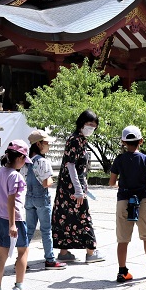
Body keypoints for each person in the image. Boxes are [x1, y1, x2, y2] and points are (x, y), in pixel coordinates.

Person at [109, 125, 146, 282]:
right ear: (140, 141)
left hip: (123, 201)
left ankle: (122, 272)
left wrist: (121, 185)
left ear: (123, 142)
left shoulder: (119, 160)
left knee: (122, 238)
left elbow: (112, 182)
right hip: (141, 200)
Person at [52, 110, 105, 263]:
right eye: (89, 124)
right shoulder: (76, 140)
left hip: (67, 187)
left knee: (66, 217)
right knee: (83, 217)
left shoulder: (79, 139)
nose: (91, 128)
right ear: (81, 123)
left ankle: (63, 252)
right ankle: (91, 252)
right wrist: (79, 189)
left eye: (94, 126)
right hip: (72, 188)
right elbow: (71, 165)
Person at [0, 139, 32, 290]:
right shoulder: (15, 176)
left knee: (1, 255)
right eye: (24, 160)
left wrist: (0, 206)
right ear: (19, 158)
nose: (25, 163)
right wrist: (12, 223)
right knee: (23, 251)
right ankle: (19, 287)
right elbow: (12, 201)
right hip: (15, 220)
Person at [20, 130, 66, 270]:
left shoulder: (25, 162)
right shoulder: (43, 162)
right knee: (46, 230)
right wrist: (53, 179)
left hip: (29, 198)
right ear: (39, 144)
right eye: (47, 143)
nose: (49, 146)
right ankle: (50, 260)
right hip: (42, 199)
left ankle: (21, 260)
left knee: (28, 230)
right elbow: (47, 183)